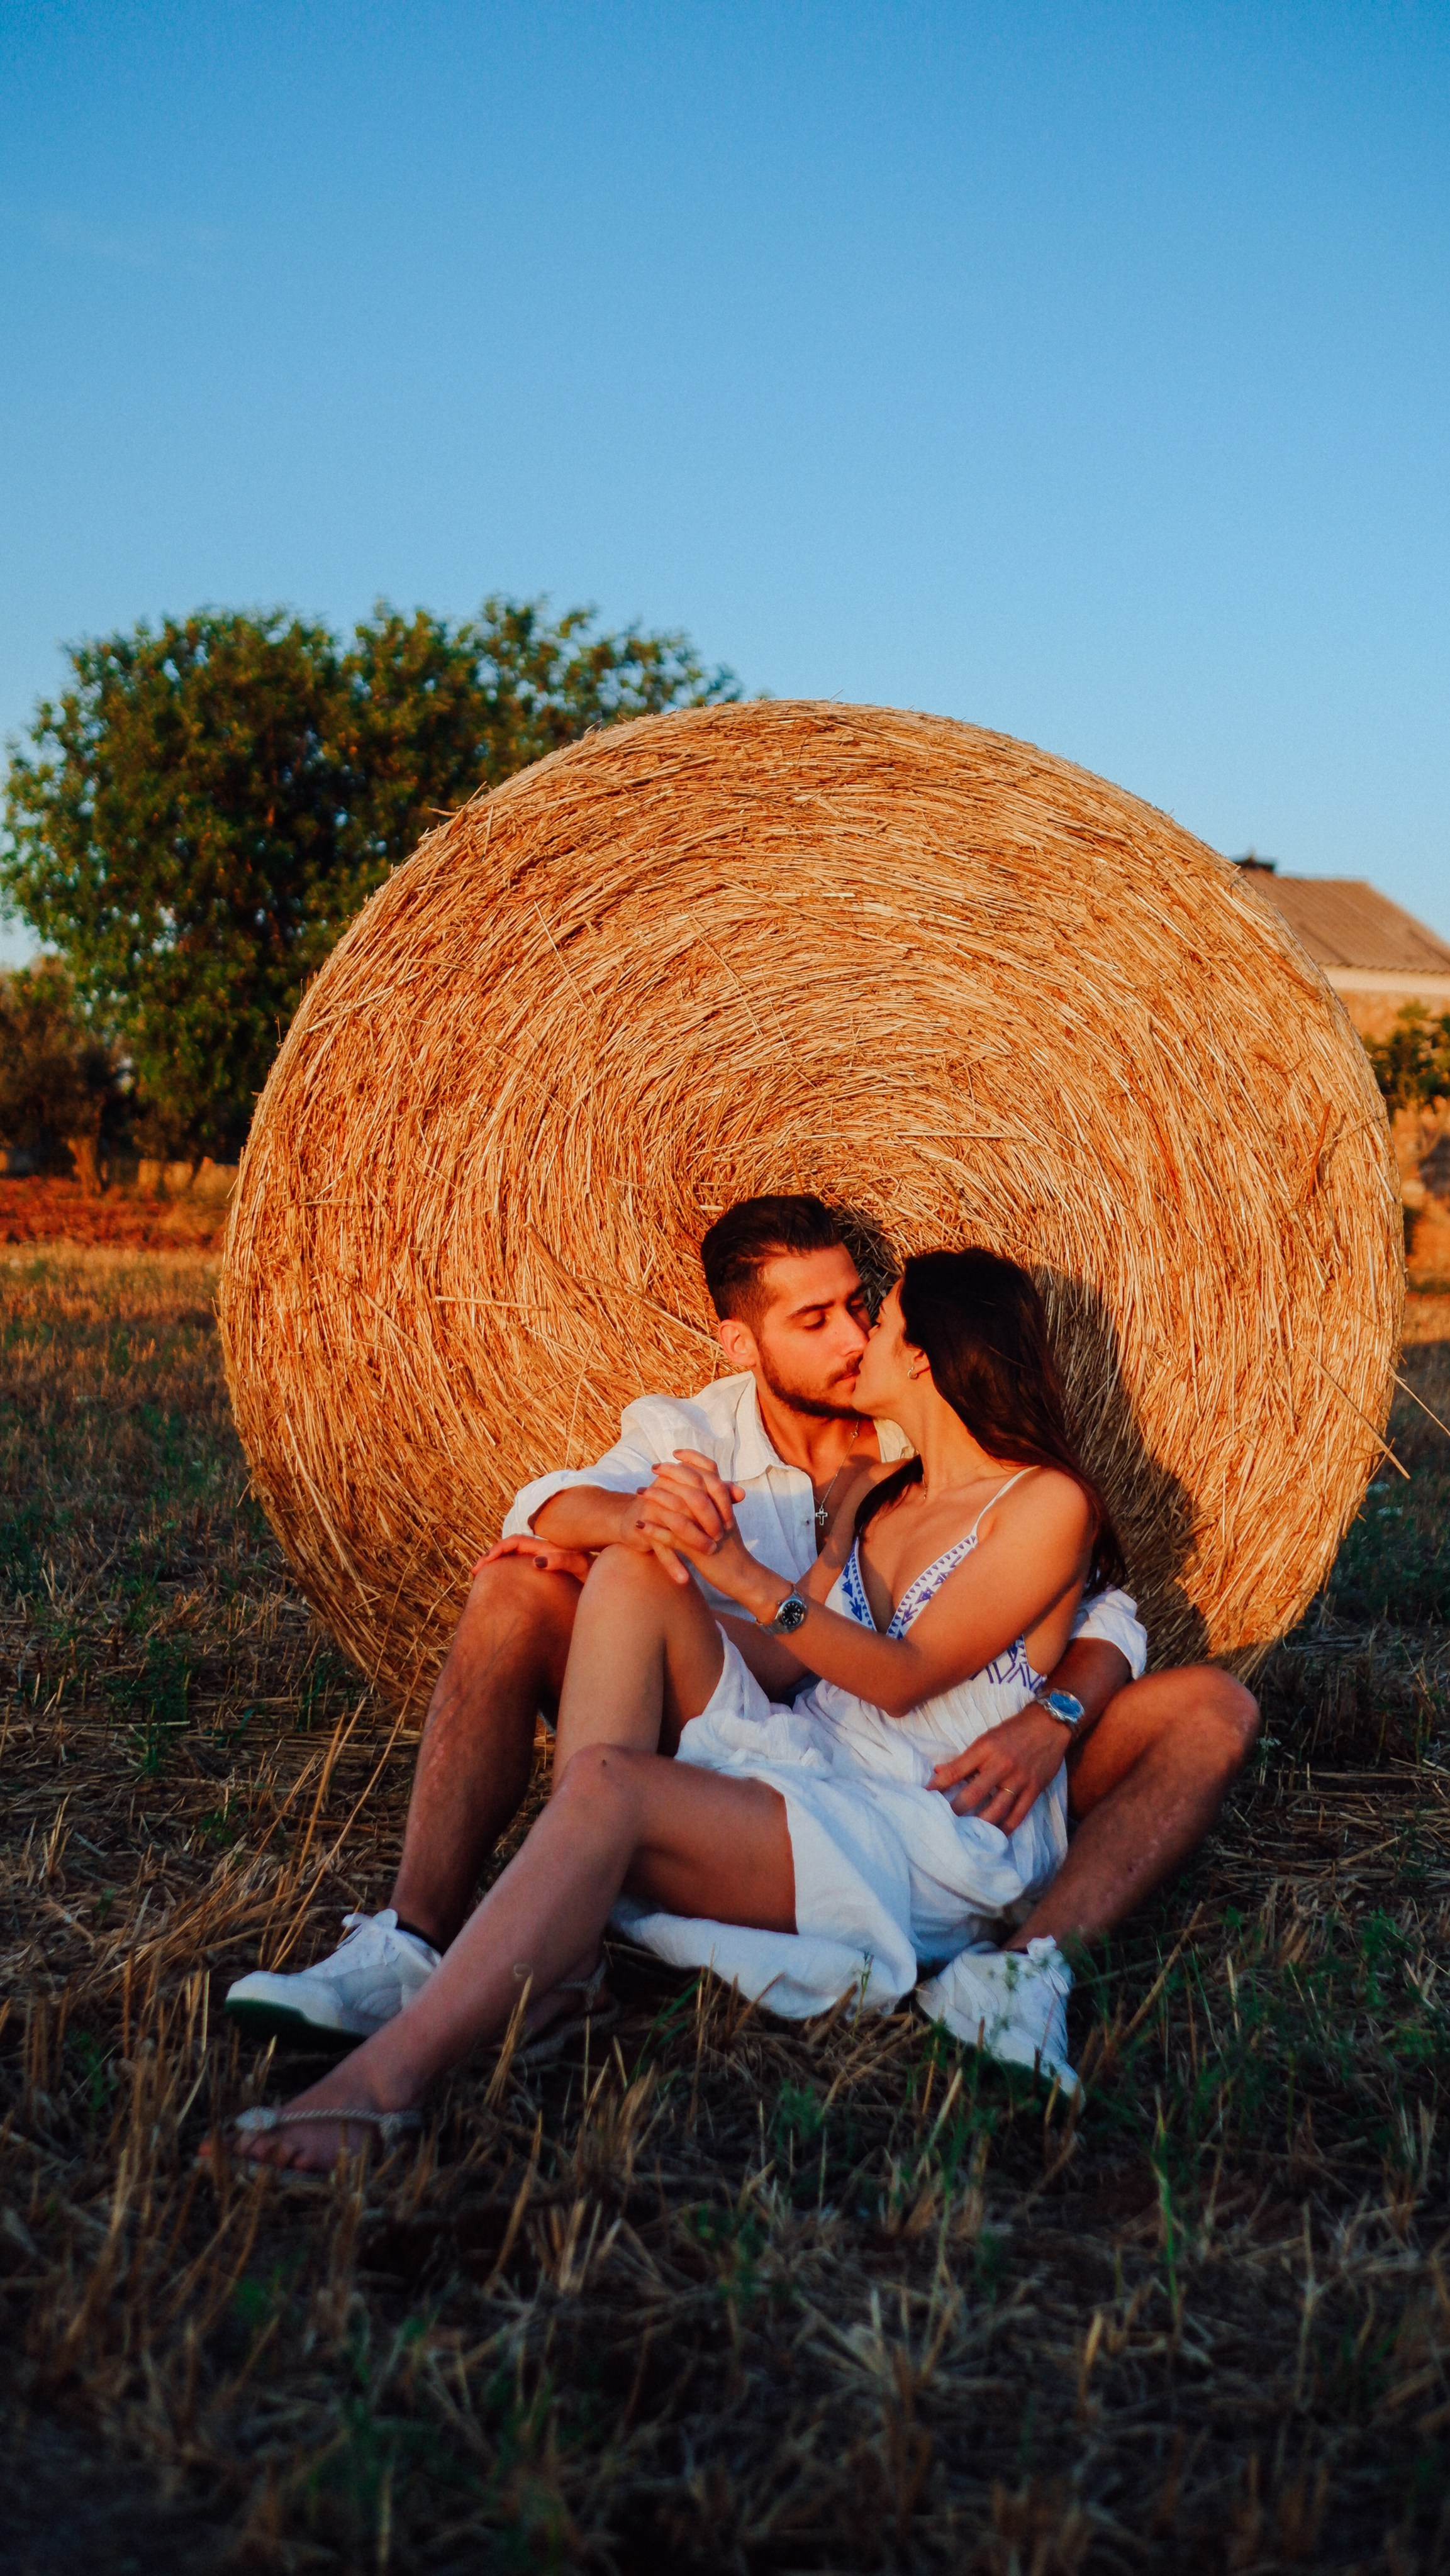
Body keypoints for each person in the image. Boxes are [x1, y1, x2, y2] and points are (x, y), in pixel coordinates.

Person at [224, 1196, 1258, 2078]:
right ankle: (434, 1939)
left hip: (903, 1786)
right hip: (785, 1737)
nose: (853, 1338)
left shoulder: (937, 1461)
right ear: (741, 1340)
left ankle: (545, 1943)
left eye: (865, 1308)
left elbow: (1084, 1602)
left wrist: (1055, 1713)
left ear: (927, 1355)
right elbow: (548, 1512)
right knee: (565, 1580)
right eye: (817, 1319)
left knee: (1207, 1703)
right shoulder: (726, 1443)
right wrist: (647, 1534)